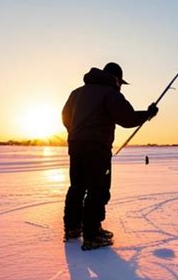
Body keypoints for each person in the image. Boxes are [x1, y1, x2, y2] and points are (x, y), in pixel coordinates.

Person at [62, 62, 158, 250]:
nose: (120, 85)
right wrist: (148, 114)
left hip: (75, 146)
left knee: (77, 186)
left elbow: (65, 116)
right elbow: (127, 118)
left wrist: (76, 133)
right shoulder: (110, 93)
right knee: (98, 190)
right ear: (115, 79)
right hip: (97, 149)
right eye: (120, 82)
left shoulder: (77, 93)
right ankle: (92, 234)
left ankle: (72, 228)